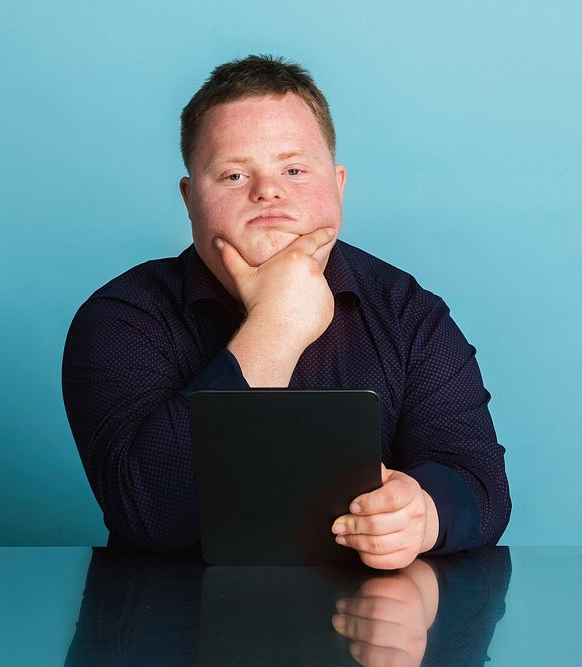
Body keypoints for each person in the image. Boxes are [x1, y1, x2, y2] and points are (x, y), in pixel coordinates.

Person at [62, 55, 510, 570]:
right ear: (189, 199)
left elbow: (482, 485)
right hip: (170, 627)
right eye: (233, 174)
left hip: (375, 629)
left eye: (294, 169)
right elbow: (153, 517)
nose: (267, 191)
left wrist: (424, 514)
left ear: (338, 185)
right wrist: (275, 328)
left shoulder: (407, 312)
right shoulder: (121, 318)